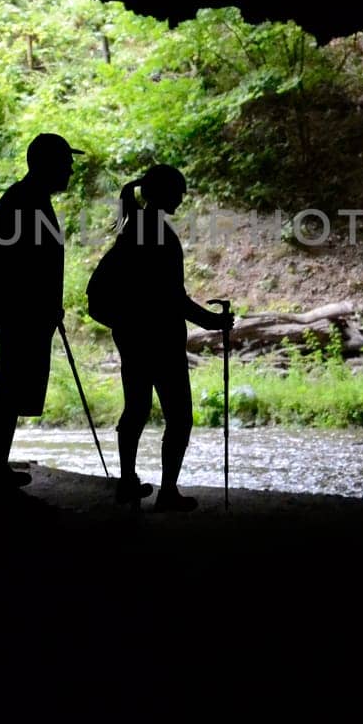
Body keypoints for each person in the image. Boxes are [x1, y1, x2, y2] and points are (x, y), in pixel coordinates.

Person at [109, 164, 233, 511]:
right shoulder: (159, 234)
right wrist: (213, 322)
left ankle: (128, 482)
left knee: (135, 409)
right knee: (179, 417)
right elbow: (172, 297)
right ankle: (167, 493)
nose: (181, 198)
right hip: (160, 338)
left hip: (132, 335)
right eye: (177, 192)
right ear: (163, 193)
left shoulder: (134, 228)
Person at [0, 132, 84, 488]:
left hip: (27, 310)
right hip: (20, 312)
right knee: (9, 386)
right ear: (47, 164)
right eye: (66, 163)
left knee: (10, 386)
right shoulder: (24, 202)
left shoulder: (31, 199)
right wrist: (38, 300)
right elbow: (20, 264)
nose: (71, 169)